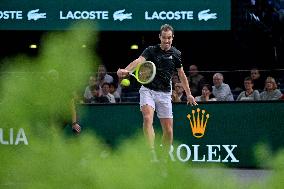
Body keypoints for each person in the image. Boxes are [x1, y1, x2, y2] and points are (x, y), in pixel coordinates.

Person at [117, 24, 197, 161]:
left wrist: (189, 93)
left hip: (165, 94)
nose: (166, 41)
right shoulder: (150, 50)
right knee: (148, 118)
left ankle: (164, 158)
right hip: (148, 90)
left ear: (172, 38)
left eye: (169, 38)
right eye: (164, 38)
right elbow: (139, 61)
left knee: (169, 130)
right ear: (159, 37)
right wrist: (125, 70)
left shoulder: (176, 54)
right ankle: (151, 152)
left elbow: (182, 74)